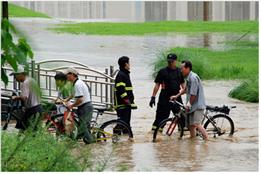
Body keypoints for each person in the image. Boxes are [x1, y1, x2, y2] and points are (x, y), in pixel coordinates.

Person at [171, 60, 208, 140]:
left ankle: (207, 140)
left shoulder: (193, 78)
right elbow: (185, 89)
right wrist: (176, 96)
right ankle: (192, 141)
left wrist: (189, 104)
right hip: (192, 105)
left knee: (196, 124)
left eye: (182, 68)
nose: (181, 71)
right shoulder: (188, 78)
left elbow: (193, 94)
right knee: (191, 125)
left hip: (197, 105)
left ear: (188, 68)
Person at [149, 53, 185, 131]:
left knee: (181, 118)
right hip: (164, 98)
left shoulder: (179, 71)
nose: (170, 63)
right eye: (169, 61)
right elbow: (157, 85)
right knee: (160, 118)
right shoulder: (162, 71)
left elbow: (183, 86)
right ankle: (156, 136)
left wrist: (188, 95)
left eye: (172, 61)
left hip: (176, 97)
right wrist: (153, 97)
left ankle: (181, 135)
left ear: (176, 61)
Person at [65, 67, 94, 144]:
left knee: (84, 127)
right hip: (84, 106)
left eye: (67, 74)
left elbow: (80, 99)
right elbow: (74, 94)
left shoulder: (77, 84)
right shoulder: (76, 83)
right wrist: (66, 100)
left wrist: (72, 105)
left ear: (72, 74)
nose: (66, 77)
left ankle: (90, 144)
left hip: (85, 107)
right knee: (84, 126)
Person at [10, 65, 43, 131]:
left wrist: (16, 97)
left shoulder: (25, 83)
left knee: (26, 128)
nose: (14, 78)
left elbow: (24, 97)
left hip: (32, 109)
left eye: (15, 76)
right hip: (38, 108)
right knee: (28, 128)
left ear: (21, 74)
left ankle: (20, 140)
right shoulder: (31, 80)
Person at [114, 56, 137, 134]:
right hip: (122, 104)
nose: (130, 65)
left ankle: (126, 144)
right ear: (126, 64)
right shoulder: (121, 75)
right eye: (129, 63)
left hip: (125, 104)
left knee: (126, 124)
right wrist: (127, 101)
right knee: (123, 123)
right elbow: (121, 90)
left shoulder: (125, 74)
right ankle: (116, 137)